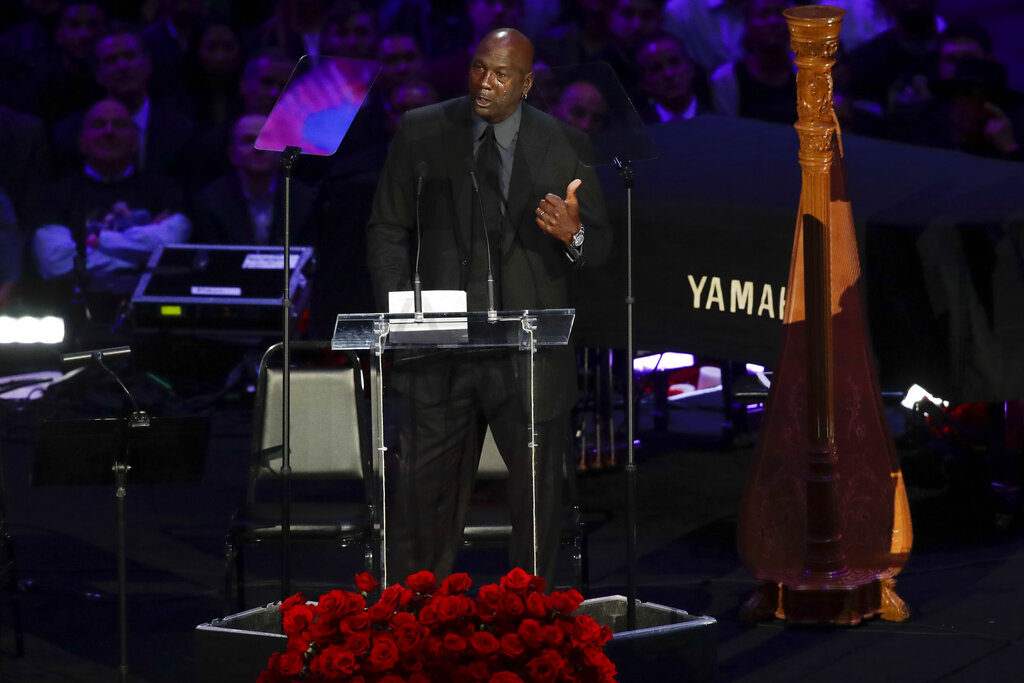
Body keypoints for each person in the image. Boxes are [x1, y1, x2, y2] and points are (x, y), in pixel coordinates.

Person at [366, 28, 610, 586]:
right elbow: (387, 227)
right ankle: (416, 618)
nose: (485, 83)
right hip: (437, 348)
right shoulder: (422, 130)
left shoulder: (564, 141)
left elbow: (598, 249)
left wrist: (573, 235)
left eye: (501, 75)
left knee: (537, 504)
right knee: (423, 498)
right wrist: (400, 315)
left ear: (527, 83)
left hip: (528, 356)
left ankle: (532, 625)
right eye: (478, 68)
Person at [190, 113, 314, 245]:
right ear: (232, 153)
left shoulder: (305, 200)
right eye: (249, 141)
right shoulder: (210, 201)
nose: (258, 149)